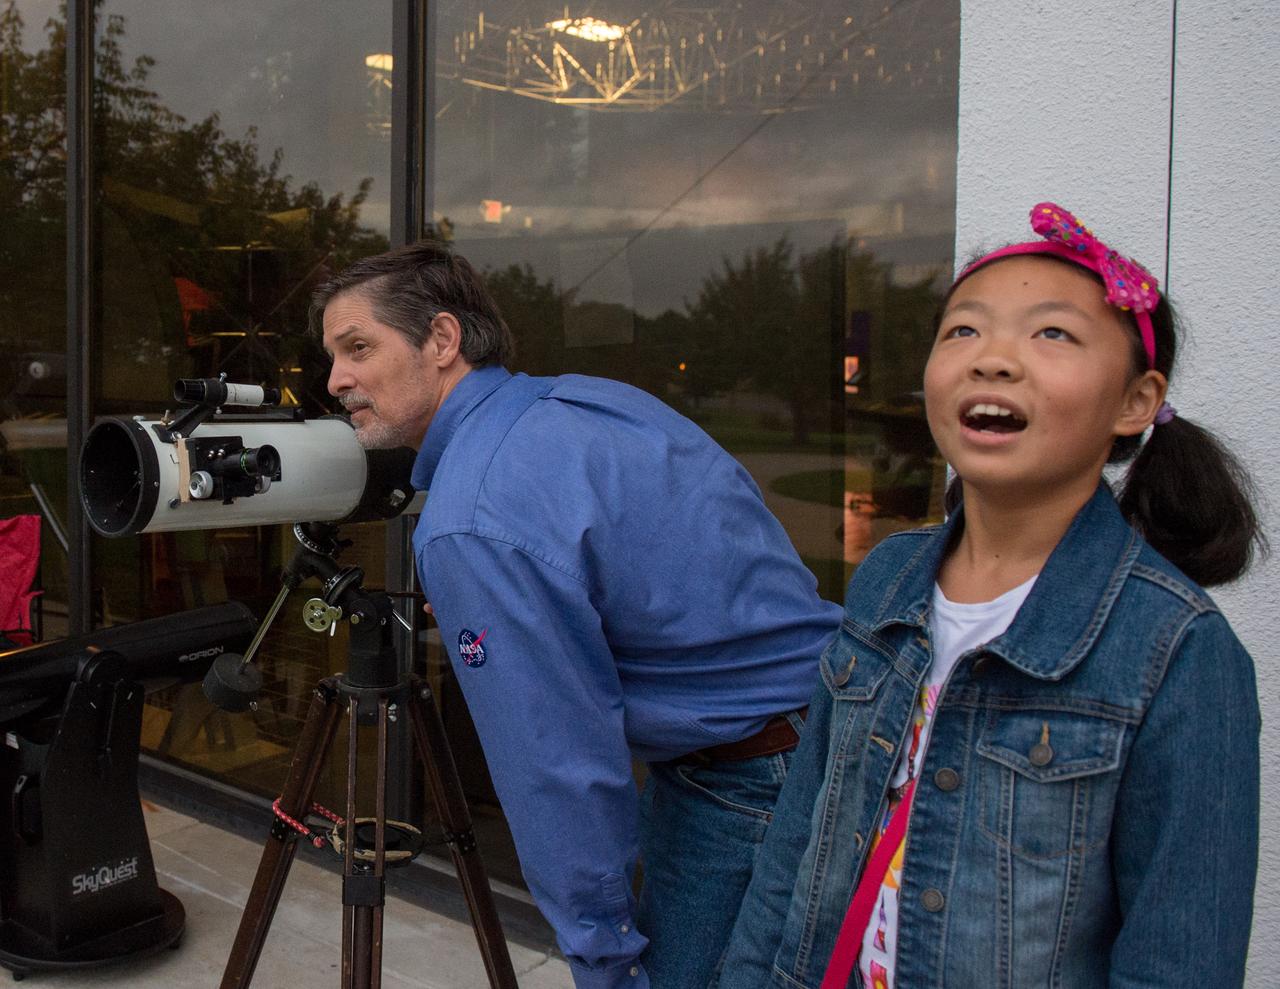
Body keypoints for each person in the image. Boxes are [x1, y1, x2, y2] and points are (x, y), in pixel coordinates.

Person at [718, 202, 1264, 989]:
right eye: (963, 330)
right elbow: (797, 842)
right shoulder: (889, 575)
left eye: (1053, 334)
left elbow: (1180, 960)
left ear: (1136, 401)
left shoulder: (1178, 650)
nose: (993, 359)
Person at [311, 240, 842, 988]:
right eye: (333, 355)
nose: (336, 379)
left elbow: (556, 763)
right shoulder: (595, 400)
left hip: (747, 780)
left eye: (357, 347)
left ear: (440, 340)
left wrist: (604, 952)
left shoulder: (470, 517)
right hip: (839, 727)